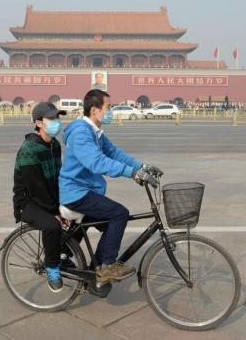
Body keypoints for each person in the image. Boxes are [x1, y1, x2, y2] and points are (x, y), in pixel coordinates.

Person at [59, 89, 161, 287]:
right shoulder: (81, 132)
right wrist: (131, 173)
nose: (111, 111)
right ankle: (107, 267)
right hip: (76, 192)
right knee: (119, 214)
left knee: (110, 225)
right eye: (109, 107)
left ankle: (96, 272)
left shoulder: (95, 132)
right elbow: (96, 162)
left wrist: (141, 167)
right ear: (95, 110)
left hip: (86, 190)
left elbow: (114, 153)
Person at [12, 102, 69, 292]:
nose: (56, 122)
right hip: (28, 202)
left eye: (57, 118)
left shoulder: (54, 145)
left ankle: (63, 253)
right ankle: (52, 267)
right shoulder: (29, 149)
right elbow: (35, 187)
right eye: (51, 119)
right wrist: (54, 211)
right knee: (52, 225)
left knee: (79, 213)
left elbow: (58, 177)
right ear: (38, 122)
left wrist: (64, 204)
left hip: (49, 198)